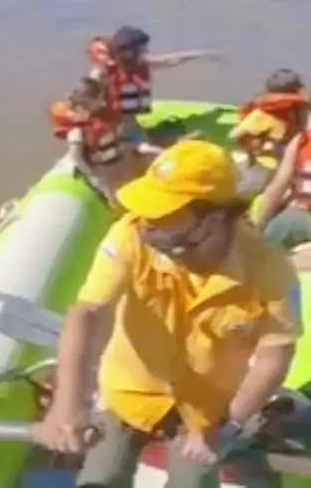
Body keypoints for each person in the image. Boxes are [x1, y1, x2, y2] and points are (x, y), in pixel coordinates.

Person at [33, 140, 301, 487]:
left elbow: (274, 354)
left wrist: (229, 425)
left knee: (192, 481)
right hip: (130, 392)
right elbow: (88, 312)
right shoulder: (130, 235)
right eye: (149, 218)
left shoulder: (270, 269)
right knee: (101, 476)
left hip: (206, 412)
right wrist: (69, 402)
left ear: (216, 219)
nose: (150, 229)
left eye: (166, 219)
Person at [87, 26, 219, 155]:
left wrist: (199, 54)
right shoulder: (103, 72)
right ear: (128, 53)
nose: (146, 51)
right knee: (142, 145)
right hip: (116, 126)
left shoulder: (140, 63)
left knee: (166, 131)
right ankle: (164, 154)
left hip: (131, 123)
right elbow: (86, 94)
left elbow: (171, 60)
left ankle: (166, 143)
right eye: (141, 49)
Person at [48, 77, 124, 202]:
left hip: (106, 161)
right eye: (100, 100)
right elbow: (76, 157)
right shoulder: (76, 132)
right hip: (92, 168)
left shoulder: (94, 116)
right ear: (86, 103)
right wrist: (94, 179)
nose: (103, 103)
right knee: (108, 190)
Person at [255, 110, 311, 250]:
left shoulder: (300, 141)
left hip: (300, 216)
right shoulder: (300, 141)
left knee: (264, 245)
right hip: (301, 213)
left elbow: (279, 186)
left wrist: (259, 226)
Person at [230, 69, 309, 167]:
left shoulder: (259, 114)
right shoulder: (302, 110)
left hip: (271, 161)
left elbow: (240, 137)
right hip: (284, 159)